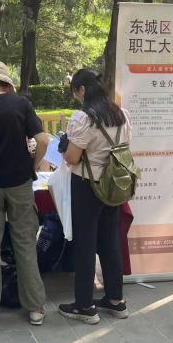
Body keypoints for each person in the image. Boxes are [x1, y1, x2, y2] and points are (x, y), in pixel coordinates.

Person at [0, 61, 48, 328]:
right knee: (25, 243)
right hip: (20, 183)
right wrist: (33, 166)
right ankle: (35, 307)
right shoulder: (21, 104)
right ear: (7, 83)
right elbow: (43, 140)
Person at [59, 69, 131, 324]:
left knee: (85, 244)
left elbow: (72, 158)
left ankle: (84, 306)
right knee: (110, 241)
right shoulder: (121, 115)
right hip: (113, 184)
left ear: (82, 90)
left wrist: (66, 146)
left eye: (76, 93)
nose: (77, 98)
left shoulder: (84, 118)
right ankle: (116, 301)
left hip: (87, 185)